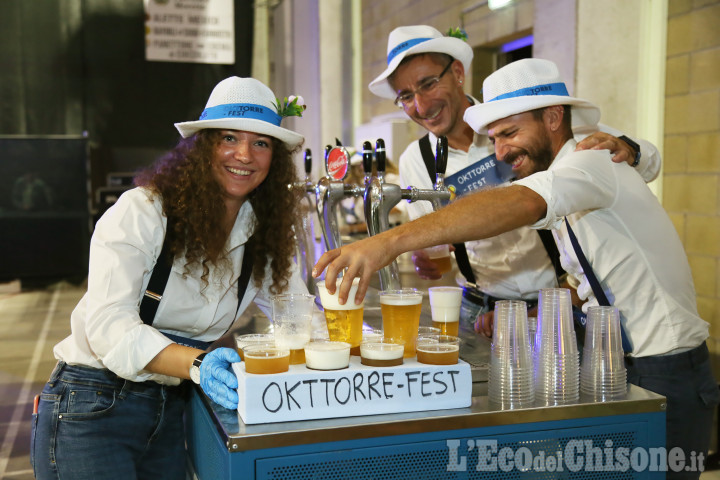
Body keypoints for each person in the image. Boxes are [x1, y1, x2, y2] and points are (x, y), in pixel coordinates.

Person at [316, 58, 718, 478]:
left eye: (510, 133)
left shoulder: (589, 163)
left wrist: (388, 242)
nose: (503, 152)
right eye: (494, 139)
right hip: (618, 360)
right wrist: (531, 315)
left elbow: (521, 201)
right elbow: (591, 280)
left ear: (553, 117)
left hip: (664, 370)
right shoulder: (565, 179)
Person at [31, 77, 312, 480]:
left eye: (261, 143)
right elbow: (108, 327)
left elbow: (298, 316)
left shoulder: (263, 232)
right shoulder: (144, 211)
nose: (244, 155)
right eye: (229, 137)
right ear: (202, 147)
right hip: (91, 405)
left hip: (171, 411)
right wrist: (197, 363)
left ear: (275, 158)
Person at [368, 25, 661, 334]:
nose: (421, 106)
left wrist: (630, 150)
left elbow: (650, 162)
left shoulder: (522, 118)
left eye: (428, 84)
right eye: (405, 96)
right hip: (479, 311)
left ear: (457, 72)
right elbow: (434, 239)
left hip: (560, 302)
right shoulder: (416, 159)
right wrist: (424, 253)